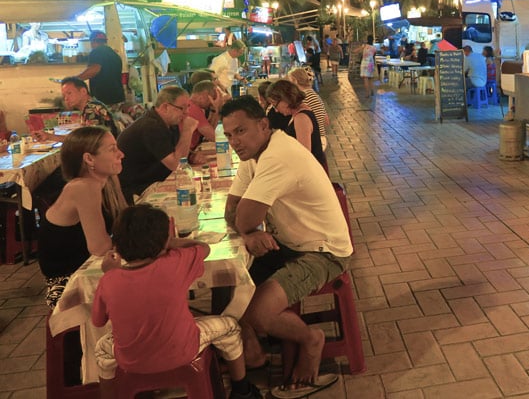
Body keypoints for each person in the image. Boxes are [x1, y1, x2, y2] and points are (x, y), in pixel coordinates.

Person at [220, 97, 349, 396]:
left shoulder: (277, 156)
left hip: (322, 251)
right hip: (289, 244)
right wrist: (248, 231)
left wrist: (248, 228)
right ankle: (250, 350)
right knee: (229, 282)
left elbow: (245, 217)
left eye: (241, 131)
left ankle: (310, 339)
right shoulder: (253, 156)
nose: (234, 142)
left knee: (257, 313)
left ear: (263, 125)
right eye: (228, 135)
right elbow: (232, 211)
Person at [92, 204, 261, 399]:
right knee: (231, 327)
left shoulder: (109, 279)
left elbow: (98, 321)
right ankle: (242, 390)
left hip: (131, 358)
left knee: (101, 350)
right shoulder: (176, 261)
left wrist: (112, 272)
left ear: (117, 246)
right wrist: (172, 243)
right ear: (165, 241)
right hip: (183, 349)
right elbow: (203, 248)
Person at [37, 126, 126, 308]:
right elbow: (100, 247)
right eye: (112, 149)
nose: (121, 154)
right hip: (67, 280)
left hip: (87, 265)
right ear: (89, 158)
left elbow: (126, 220)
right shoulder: (83, 187)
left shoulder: (107, 178)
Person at [117, 86, 198, 203]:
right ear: (165, 107)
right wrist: (187, 131)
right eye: (182, 108)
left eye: (188, 107)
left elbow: (173, 151)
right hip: (136, 191)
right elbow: (177, 165)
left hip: (154, 183)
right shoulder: (151, 126)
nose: (187, 113)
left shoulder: (169, 123)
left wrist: (191, 155)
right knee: (189, 196)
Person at [266, 79, 328, 172]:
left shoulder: (301, 118)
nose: (276, 110)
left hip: (312, 172)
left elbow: (304, 155)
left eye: (275, 105)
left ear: (285, 100)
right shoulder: (299, 113)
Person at [34, 77, 119, 141]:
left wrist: (50, 136)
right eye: (64, 96)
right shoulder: (92, 105)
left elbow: (87, 141)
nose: (66, 99)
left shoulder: (91, 108)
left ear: (83, 91)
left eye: (69, 93)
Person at [75, 31, 125, 108]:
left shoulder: (96, 52)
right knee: (115, 119)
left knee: (103, 119)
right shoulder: (114, 54)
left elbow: (94, 69)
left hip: (105, 99)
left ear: (93, 41)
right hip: (118, 98)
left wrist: (75, 80)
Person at [287, 67, 330, 150]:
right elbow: (326, 121)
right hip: (321, 138)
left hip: (314, 139)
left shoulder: (304, 97)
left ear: (295, 81)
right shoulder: (314, 94)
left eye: (290, 82)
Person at [187, 80, 226, 153]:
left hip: (192, 151)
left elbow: (211, 129)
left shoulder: (195, 107)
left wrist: (215, 109)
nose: (212, 102)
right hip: (187, 155)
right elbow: (213, 136)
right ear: (203, 95)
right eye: (213, 97)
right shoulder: (193, 109)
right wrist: (218, 108)